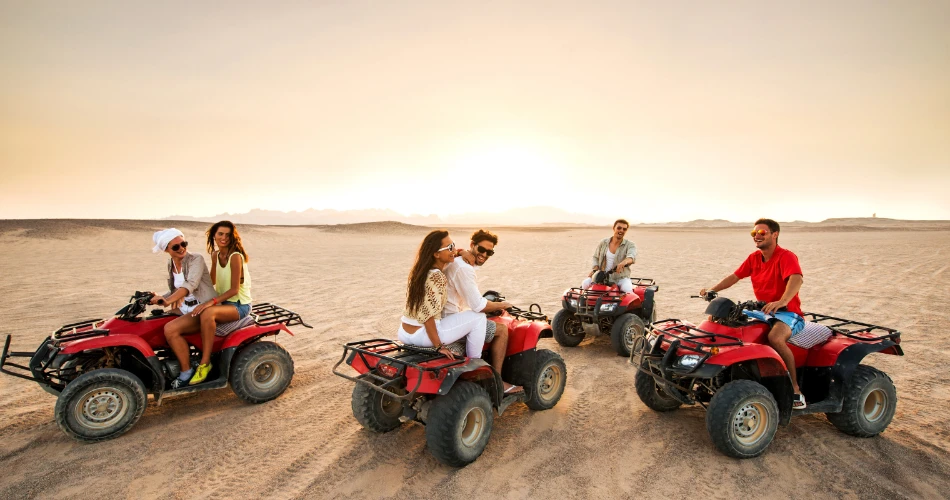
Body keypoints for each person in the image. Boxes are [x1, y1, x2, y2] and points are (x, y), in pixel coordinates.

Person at [699, 218, 806, 409]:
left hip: (788, 313)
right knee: (720, 321)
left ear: (775, 234)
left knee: (775, 337)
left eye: (762, 232)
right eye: (754, 233)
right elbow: (735, 276)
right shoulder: (754, 258)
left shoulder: (786, 256)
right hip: (762, 310)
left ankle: (795, 389)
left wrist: (782, 301)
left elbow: (796, 279)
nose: (757, 236)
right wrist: (712, 290)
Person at [444, 229, 522, 394]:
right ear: (472, 245)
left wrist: (461, 251)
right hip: (449, 322)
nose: (484, 255)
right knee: (501, 330)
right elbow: (478, 305)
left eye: (490, 252)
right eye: (481, 249)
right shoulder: (464, 268)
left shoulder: (456, 259)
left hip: (445, 317)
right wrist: (502, 305)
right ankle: (497, 382)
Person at [397, 230, 489, 363]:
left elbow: (447, 252)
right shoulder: (437, 276)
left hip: (404, 333)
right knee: (479, 317)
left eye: (454, 245)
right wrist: (439, 346)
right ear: (436, 254)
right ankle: (475, 363)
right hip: (423, 336)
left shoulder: (420, 271)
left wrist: (461, 252)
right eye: (450, 247)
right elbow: (427, 315)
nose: (454, 250)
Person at [148, 228, 217, 389]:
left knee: (170, 329)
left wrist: (167, 301)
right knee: (155, 322)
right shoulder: (171, 263)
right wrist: (159, 298)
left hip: (202, 308)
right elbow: (174, 290)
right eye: (176, 247)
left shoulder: (195, 259)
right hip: (185, 307)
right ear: (166, 250)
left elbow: (189, 285)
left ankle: (186, 372)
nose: (181, 248)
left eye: (183, 244)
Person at [187, 221, 253, 385]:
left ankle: (205, 363)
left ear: (233, 237)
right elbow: (212, 281)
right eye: (220, 234)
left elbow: (234, 290)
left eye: (228, 235)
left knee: (208, 312)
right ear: (214, 236)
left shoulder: (235, 256)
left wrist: (210, 302)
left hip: (239, 305)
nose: (224, 238)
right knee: (192, 313)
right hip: (223, 304)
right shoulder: (215, 255)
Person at [582, 219, 637, 293]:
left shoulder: (630, 244)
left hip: (620, 278)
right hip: (602, 276)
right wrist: (595, 269)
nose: (621, 231)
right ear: (613, 228)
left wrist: (624, 262)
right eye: (619, 228)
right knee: (585, 283)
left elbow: (631, 256)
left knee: (627, 290)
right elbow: (595, 257)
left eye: (624, 229)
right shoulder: (603, 242)